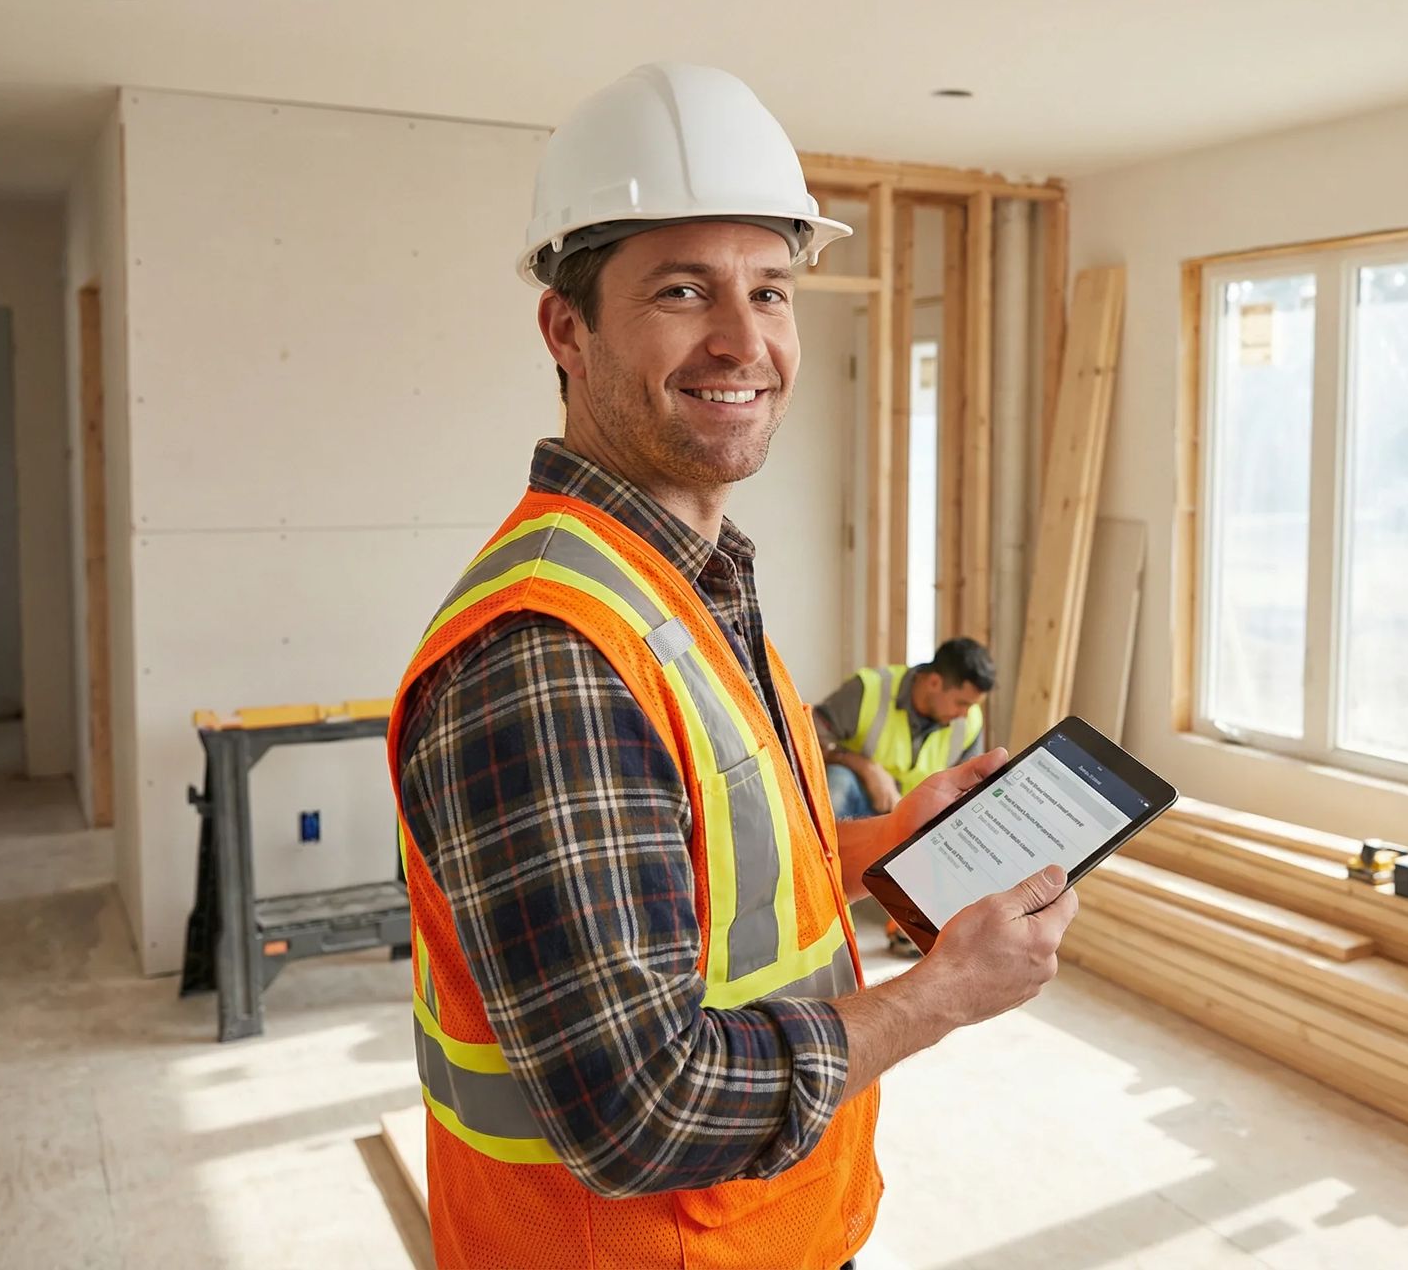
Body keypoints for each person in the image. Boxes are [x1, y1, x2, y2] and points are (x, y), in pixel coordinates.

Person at [387, 62, 1080, 1270]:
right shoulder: (553, 651)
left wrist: (889, 842)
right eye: (681, 289)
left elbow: (720, 894)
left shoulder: (679, 585)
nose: (744, 339)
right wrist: (938, 995)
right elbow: (644, 1106)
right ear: (567, 329)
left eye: (770, 289)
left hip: (765, 1234)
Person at [815, 638, 996, 823]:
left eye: (972, 705)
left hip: (917, 824)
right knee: (839, 781)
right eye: (961, 703)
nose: (965, 714)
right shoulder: (868, 689)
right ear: (934, 682)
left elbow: (968, 789)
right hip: (859, 808)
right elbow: (807, 742)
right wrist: (866, 768)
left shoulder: (970, 722)